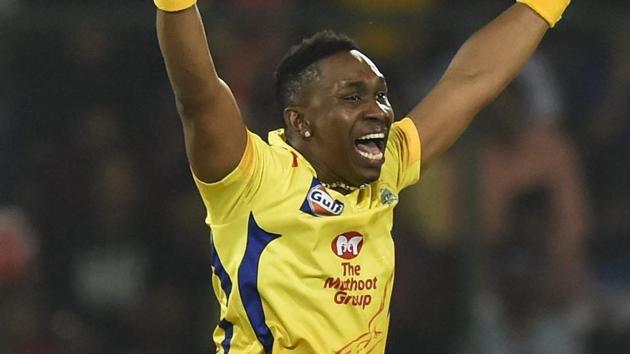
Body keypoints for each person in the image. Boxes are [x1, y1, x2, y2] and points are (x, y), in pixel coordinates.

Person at [154, 0, 571, 352]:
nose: (378, 110)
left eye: (381, 94)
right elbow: (198, 92)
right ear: (301, 122)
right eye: (353, 97)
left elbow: (470, 81)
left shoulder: (386, 167)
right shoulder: (254, 175)